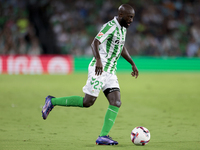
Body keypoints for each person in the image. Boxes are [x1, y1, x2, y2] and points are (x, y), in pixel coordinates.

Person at [42, 4, 139, 145]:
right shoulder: (110, 26)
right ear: (121, 15)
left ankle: (103, 136)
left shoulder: (123, 28)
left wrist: (132, 63)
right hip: (99, 68)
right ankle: (52, 101)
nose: (131, 20)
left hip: (110, 71)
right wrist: (98, 60)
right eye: (129, 17)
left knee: (116, 102)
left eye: (133, 17)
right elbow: (95, 42)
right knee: (88, 102)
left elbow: (121, 46)